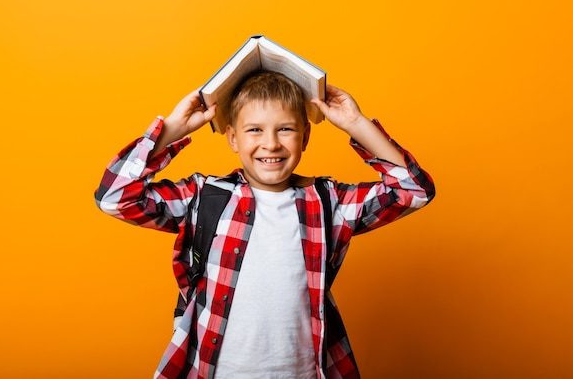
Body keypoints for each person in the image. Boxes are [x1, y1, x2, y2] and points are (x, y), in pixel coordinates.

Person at [95, 71, 435, 379]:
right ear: (232, 138)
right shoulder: (204, 197)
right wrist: (170, 130)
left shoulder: (329, 203)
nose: (270, 143)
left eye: (285, 129)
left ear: (305, 138)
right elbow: (114, 197)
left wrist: (357, 125)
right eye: (254, 129)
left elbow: (413, 190)